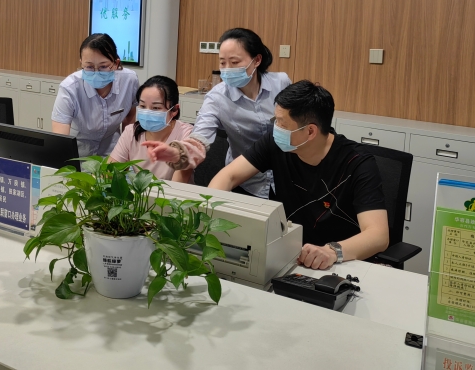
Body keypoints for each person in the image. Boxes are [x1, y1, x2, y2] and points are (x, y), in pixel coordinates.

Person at [208, 80, 389, 270]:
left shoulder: (357, 163)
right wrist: (209, 214)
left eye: (282, 123)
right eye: (275, 120)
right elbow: (228, 176)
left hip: (340, 264)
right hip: (290, 257)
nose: (275, 128)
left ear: (310, 131)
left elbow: (378, 236)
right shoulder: (275, 144)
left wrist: (331, 252)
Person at [143, 28, 290, 197]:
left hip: (286, 176)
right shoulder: (217, 97)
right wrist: (178, 153)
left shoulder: (281, 83)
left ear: (256, 60)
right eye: (222, 63)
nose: (227, 69)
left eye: (234, 62)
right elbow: (199, 137)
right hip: (246, 181)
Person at [52, 34, 138, 157]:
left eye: (103, 66)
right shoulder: (70, 88)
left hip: (113, 152)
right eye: (89, 67)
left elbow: (129, 117)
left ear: (115, 63)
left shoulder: (129, 81)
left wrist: (127, 153)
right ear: (81, 63)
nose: (96, 72)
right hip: (79, 154)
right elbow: (60, 137)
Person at [109, 76, 193, 182]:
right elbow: (110, 174)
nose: (147, 112)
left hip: (171, 192)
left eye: (156, 108)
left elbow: (178, 184)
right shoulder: (131, 132)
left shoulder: (186, 134)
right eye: (143, 106)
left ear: (174, 110)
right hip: (140, 191)